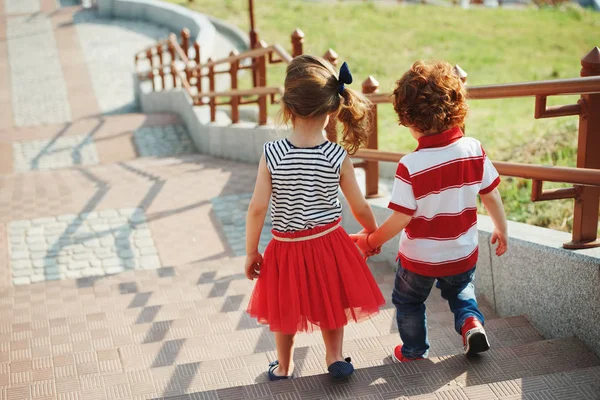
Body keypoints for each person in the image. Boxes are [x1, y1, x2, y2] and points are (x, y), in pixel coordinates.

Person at [352, 60, 508, 362]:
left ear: (409, 119)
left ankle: (414, 351)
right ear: (458, 107)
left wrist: (372, 242)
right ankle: (471, 324)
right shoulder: (474, 149)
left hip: (419, 259)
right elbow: (490, 193)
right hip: (462, 251)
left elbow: (401, 217)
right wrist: (501, 228)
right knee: (461, 292)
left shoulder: (411, 165)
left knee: (408, 301)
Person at [244, 55, 385, 380]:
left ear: (287, 108)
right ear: (334, 108)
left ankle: (284, 365)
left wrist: (252, 250)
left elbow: (257, 208)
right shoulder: (337, 156)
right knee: (332, 301)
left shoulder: (273, 153)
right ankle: (334, 357)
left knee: (283, 309)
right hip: (329, 243)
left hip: (286, 246)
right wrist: (371, 231)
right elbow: (359, 205)